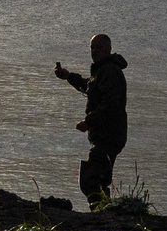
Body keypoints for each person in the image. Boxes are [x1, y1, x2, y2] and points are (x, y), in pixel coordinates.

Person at [52, 33, 128, 205]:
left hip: (109, 135)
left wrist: (88, 122)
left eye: (99, 47)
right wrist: (68, 76)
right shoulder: (102, 70)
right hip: (106, 135)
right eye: (92, 47)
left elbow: (109, 105)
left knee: (90, 179)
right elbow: (89, 87)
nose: (94, 51)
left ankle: (102, 211)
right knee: (100, 178)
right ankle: (105, 212)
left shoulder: (110, 71)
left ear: (108, 49)